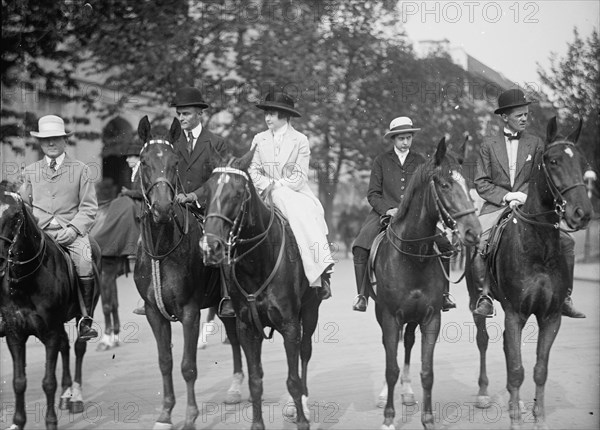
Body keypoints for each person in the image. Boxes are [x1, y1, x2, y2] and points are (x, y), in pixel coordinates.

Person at [472, 88, 584, 318]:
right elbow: (481, 182)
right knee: (481, 242)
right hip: (496, 206)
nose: (524, 118)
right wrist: (506, 196)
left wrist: (525, 196)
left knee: (567, 242)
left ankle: (565, 297)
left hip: (529, 206)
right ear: (504, 117)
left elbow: (542, 177)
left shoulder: (536, 143)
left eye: (526, 114)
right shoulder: (488, 145)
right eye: (519, 115)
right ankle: (485, 295)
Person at [351, 117, 456, 312]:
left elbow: (426, 190)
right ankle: (362, 295)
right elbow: (373, 193)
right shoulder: (381, 161)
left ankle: (445, 295)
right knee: (360, 246)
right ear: (393, 139)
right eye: (401, 138)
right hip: (384, 213)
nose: (405, 142)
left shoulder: (420, 161)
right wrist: (387, 210)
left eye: (408, 138)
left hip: (414, 215)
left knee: (444, 246)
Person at [19, 115, 99, 340]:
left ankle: (85, 319)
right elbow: (25, 203)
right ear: (40, 143)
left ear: (65, 141)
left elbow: (89, 207)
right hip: (40, 232)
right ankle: (10, 314)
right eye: (46, 140)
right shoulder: (31, 171)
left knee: (84, 260)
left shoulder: (81, 169)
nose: (50, 144)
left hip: (70, 231)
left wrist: (73, 230)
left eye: (55, 139)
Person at [247, 91, 334, 300]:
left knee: (311, 213)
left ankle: (320, 269)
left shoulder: (300, 140)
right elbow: (252, 169)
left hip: (293, 190)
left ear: (285, 116)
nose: (268, 118)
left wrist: (278, 186)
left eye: (272, 114)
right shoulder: (259, 139)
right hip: (263, 191)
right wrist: (267, 185)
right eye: (266, 113)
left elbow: (300, 176)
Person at [170, 87, 233, 316]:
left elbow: (219, 180)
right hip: (176, 207)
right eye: (179, 114)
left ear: (199, 114)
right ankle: (153, 295)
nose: (181, 118)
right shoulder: (173, 143)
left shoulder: (217, 143)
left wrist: (194, 195)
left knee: (223, 243)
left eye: (186, 113)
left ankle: (227, 297)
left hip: (208, 209)